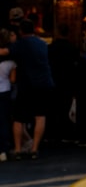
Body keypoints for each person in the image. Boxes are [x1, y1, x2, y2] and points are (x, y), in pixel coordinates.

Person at [6, 19, 55, 159]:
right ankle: (34, 148)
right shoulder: (42, 44)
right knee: (40, 116)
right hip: (43, 83)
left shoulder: (20, 44)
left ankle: (17, 149)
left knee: (18, 118)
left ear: (20, 31)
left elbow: (5, 52)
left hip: (26, 84)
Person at [0, 34, 13, 160]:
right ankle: (3, 150)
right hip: (4, 90)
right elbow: (13, 79)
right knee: (3, 120)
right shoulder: (10, 62)